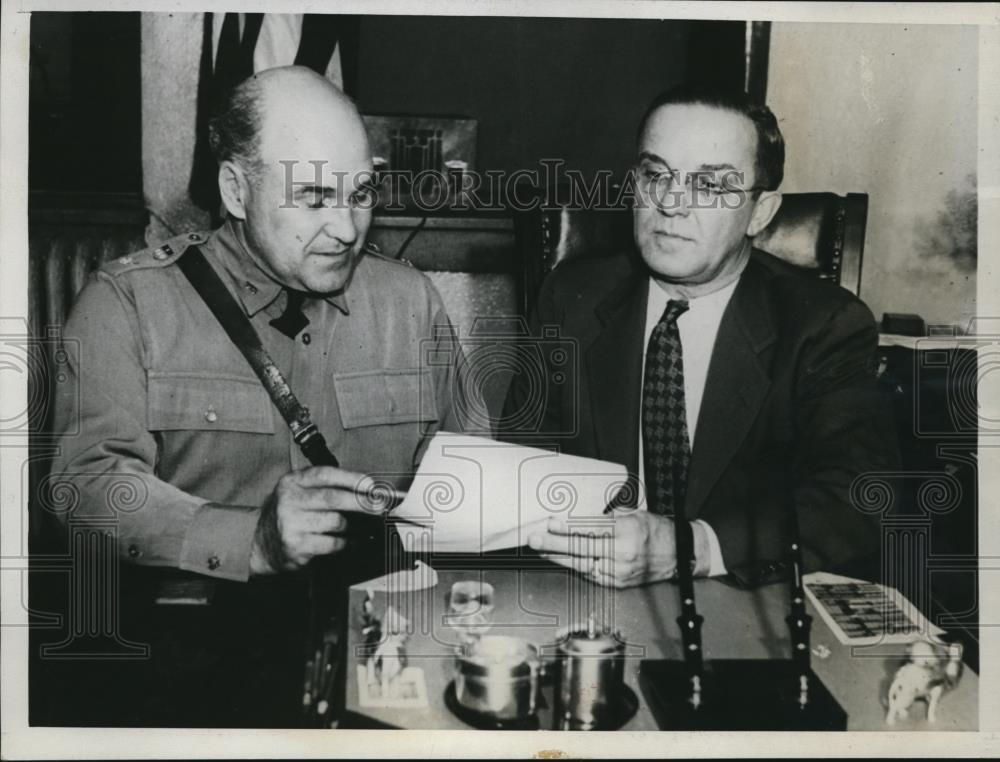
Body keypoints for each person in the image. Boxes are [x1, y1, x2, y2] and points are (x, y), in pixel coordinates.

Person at [50, 66, 469, 582]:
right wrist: (252, 540)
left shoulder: (412, 303)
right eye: (314, 198)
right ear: (235, 191)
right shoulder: (127, 304)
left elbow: (475, 481)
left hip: (382, 632)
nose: (345, 229)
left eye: (360, 195)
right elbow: (87, 489)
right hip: (200, 640)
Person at [502, 86, 898, 589]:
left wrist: (690, 547)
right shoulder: (571, 297)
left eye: (710, 186)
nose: (670, 204)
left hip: (751, 609)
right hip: (589, 597)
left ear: (760, 212)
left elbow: (860, 499)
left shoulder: (823, 325)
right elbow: (522, 468)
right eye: (655, 175)